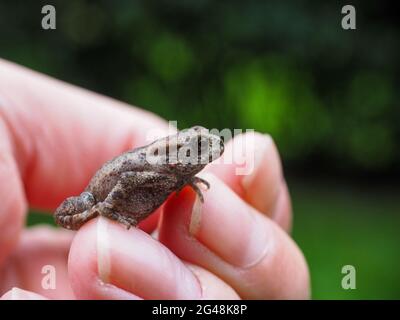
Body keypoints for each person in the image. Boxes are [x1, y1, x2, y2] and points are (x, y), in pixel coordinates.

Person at [0, 59, 309, 300]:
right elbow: (129, 177)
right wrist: (105, 209)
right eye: (198, 148)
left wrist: (186, 179)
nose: (209, 150)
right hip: (97, 198)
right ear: (180, 152)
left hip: (121, 226)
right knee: (79, 208)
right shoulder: (158, 167)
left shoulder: (176, 170)